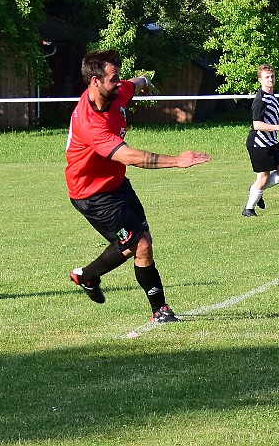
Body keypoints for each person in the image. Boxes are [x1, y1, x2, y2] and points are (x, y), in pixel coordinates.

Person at [66, 49, 211, 323]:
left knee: (139, 242)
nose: (118, 82)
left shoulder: (118, 92)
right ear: (94, 81)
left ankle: (87, 276)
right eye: (112, 78)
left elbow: (137, 82)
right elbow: (131, 157)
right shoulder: (89, 122)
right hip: (92, 194)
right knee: (139, 242)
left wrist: (145, 81)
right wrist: (177, 161)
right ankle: (160, 311)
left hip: (116, 184)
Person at [242, 64, 279, 217]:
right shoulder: (260, 100)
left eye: (272, 76)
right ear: (260, 80)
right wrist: (278, 128)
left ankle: (256, 190)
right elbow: (257, 124)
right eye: (267, 77)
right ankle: (248, 209)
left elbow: (272, 116)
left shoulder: (272, 96)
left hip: (272, 142)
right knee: (262, 178)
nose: (270, 80)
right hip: (259, 144)